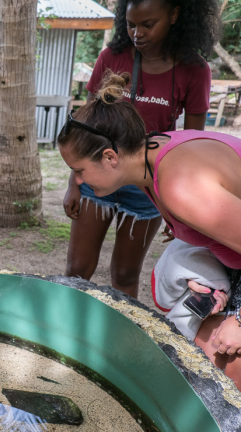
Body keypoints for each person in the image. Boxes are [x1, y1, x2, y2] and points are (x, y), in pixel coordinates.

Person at [57, 73, 241, 389]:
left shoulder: (181, 188)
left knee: (218, 365)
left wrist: (239, 321)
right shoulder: (155, 148)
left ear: (110, 157)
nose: (78, 181)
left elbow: (198, 196)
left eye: (79, 171)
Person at [62, 0, 219, 299]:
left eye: (148, 24)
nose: (137, 33)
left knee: (125, 273)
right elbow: (85, 128)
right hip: (97, 173)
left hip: (146, 186)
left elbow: (192, 144)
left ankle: (120, 339)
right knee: (78, 268)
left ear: (174, 14)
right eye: (132, 24)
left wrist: (176, 207)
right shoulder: (113, 56)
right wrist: (75, 182)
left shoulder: (194, 70)